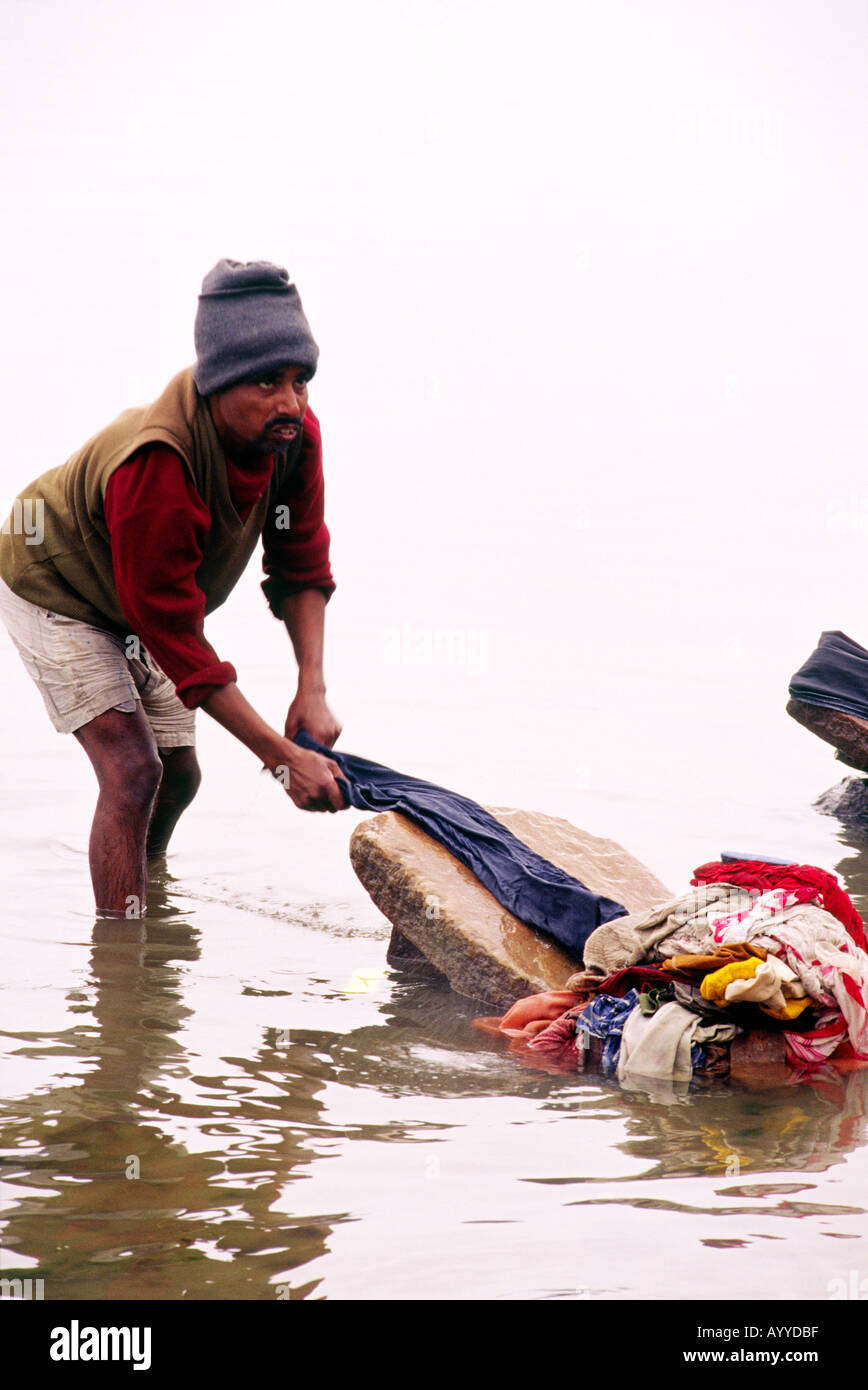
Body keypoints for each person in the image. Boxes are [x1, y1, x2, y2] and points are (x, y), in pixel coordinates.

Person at [0, 258, 346, 919]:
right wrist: (280, 760)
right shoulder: (159, 464)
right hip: (55, 581)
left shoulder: (294, 440)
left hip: (137, 594)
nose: (291, 404)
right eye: (268, 382)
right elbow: (172, 634)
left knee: (179, 774)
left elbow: (300, 561)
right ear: (217, 382)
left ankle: (141, 897)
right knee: (133, 772)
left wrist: (312, 685)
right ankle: (123, 967)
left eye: (300, 380)